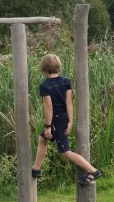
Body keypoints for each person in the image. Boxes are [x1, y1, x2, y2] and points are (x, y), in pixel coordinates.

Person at [31, 53, 101, 185]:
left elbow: (48, 107)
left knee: (65, 152)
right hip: (64, 118)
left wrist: (47, 126)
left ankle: (93, 170)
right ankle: (36, 168)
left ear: (44, 68)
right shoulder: (66, 82)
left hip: (55, 120)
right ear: (58, 66)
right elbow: (69, 102)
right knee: (42, 139)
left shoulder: (45, 86)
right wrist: (70, 121)